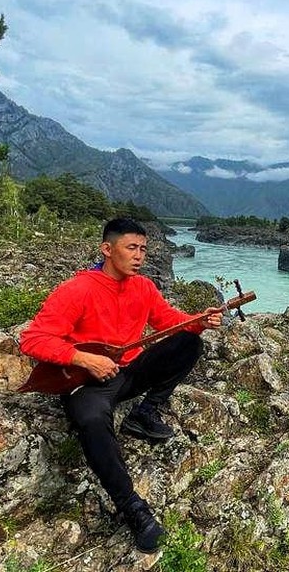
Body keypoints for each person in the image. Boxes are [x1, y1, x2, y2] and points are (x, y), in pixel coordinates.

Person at [19, 218, 223, 553]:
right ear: (107, 249)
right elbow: (33, 339)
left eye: (143, 248)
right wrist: (84, 359)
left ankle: (145, 412)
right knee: (91, 421)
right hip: (88, 382)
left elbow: (166, 320)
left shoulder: (142, 287)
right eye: (132, 247)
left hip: (129, 373)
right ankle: (132, 508)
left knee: (188, 343)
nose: (140, 255)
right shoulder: (78, 289)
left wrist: (198, 320)